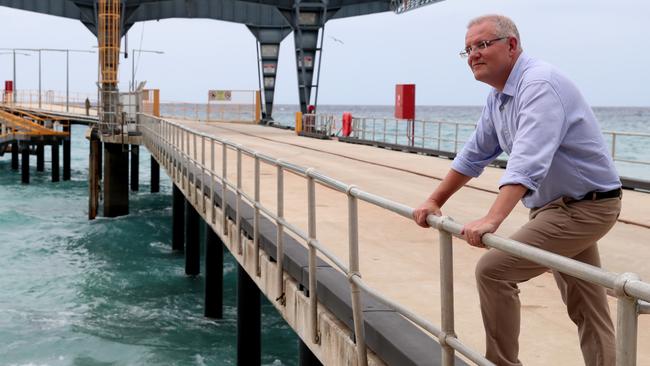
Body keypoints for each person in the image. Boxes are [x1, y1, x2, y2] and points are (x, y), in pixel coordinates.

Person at [412, 14, 621, 366]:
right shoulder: (499, 97)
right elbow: (474, 153)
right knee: (587, 307)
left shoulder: (538, 84)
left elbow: (527, 160)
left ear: (511, 45)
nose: (474, 55)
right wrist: (435, 200)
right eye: (467, 50)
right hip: (557, 207)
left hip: (585, 208)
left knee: (493, 270)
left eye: (482, 44)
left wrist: (493, 218)